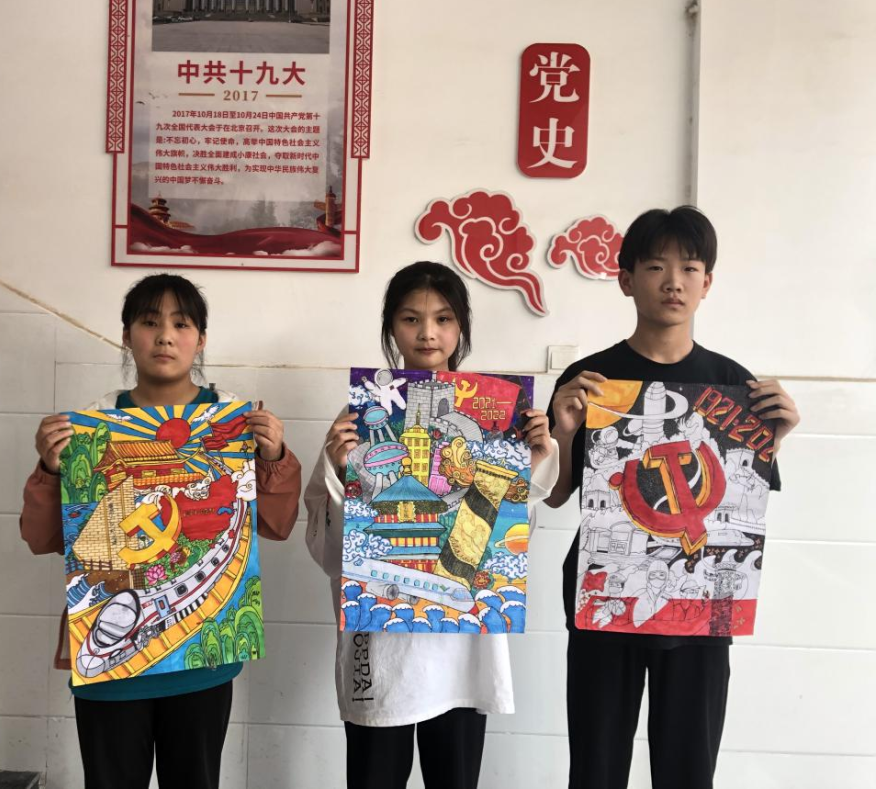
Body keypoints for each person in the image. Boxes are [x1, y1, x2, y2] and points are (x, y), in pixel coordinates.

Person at [544, 206, 801, 789]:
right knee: (596, 765)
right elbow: (557, 497)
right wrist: (563, 431)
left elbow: (742, 506)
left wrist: (775, 439)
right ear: (625, 279)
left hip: (701, 600)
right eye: (656, 266)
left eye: (689, 268)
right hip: (604, 594)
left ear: (707, 282)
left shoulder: (735, 386)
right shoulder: (590, 380)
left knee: (688, 767)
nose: (673, 282)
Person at [19, 273, 302, 789]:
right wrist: (50, 470)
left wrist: (274, 458)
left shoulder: (234, 425)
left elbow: (276, 526)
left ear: (201, 339)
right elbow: (43, 539)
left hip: (201, 661)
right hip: (110, 672)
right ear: (126, 336)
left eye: (181, 324)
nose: (165, 336)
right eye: (150, 323)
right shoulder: (93, 425)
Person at [305, 261, 560, 789]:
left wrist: (530, 464)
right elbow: (330, 555)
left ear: (460, 327)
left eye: (443, 319)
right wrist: (338, 469)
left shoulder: (497, 421)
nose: (427, 333)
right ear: (391, 327)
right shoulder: (356, 421)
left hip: (464, 645)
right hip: (381, 644)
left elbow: (507, 548)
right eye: (411, 319)